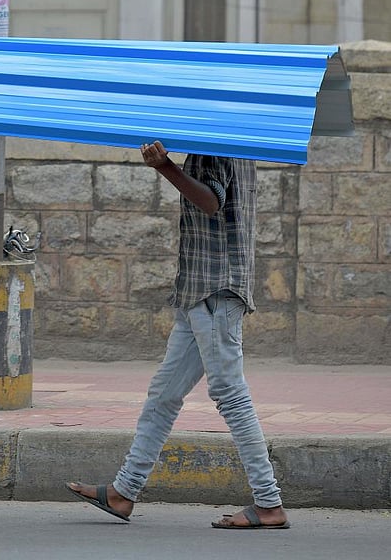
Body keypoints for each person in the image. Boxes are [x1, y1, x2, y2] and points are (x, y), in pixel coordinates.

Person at [67, 141, 289, 530]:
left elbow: (211, 202)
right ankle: (123, 492)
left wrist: (164, 166)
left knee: (230, 394)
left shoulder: (215, 145)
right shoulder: (235, 142)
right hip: (198, 293)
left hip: (215, 291)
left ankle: (269, 504)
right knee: (165, 394)